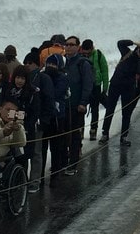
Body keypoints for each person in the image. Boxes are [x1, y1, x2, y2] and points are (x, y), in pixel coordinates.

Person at [99, 40, 140, 146]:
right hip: (115, 84)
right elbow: (120, 43)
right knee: (110, 110)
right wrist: (134, 43)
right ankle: (105, 133)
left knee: (126, 113)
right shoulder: (127, 53)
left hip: (129, 88)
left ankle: (124, 136)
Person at [23, 48, 55, 193]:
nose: (27, 65)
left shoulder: (43, 78)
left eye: (29, 63)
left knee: (36, 152)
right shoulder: (24, 77)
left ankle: (35, 180)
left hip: (37, 121)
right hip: (23, 121)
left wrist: (44, 119)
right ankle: (22, 179)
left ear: (36, 64)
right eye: (25, 63)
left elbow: (48, 100)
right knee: (22, 150)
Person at [63, 35, 94, 175]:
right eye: (67, 44)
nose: (68, 47)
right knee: (62, 134)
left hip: (76, 106)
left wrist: (83, 102)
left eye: (71, 44)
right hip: (62, 106)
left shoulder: (83, 63)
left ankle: (72, 163)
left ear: (77, 47)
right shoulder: (62, 62)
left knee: (75, 134)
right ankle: (62, 161)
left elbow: (88, 84)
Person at [43, 54, 69, 187]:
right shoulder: (42, 76)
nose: (50, 67)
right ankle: (41, 177)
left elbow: (55, 94)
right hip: (45, 117)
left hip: (58, 117)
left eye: (53, 64)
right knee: (42, 148)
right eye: (49, 64)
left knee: (56, 147)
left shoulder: (62, 78)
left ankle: (56, 174)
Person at [80, 39, 109, 142]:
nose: (86, 53)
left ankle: (93, 130)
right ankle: (81, 130)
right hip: (83, 86)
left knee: (94, 108)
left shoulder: (98, 55)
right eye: (84, 51)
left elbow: (104, 70)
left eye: (88, 51)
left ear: (92, 48)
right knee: (82, 108)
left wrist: (105, 87)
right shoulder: (80, 55)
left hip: (95, 86)